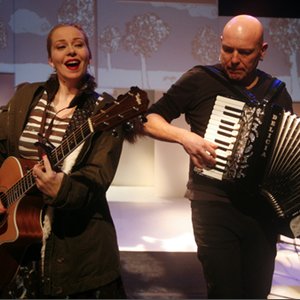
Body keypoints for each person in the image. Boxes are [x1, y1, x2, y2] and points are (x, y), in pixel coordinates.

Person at [142, 15, 293, 299]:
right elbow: (149, 119)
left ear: (262, 51)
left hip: (261, 212)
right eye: (228, 50)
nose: (233, 59)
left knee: (257, 292)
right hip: (213, 203)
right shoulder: (200, 79)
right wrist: (185, 137)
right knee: (224, 291)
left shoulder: (277, 92)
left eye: (245, 52)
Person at [0, 23, 128, 298]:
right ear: (51, 59)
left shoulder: (104, 111)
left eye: (78, 44)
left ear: (89, 55)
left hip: (74, 249)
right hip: (17, 245)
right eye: (61, 46)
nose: (71, 51)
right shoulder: (26, 97)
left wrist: (63, 189)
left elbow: (96, 179)